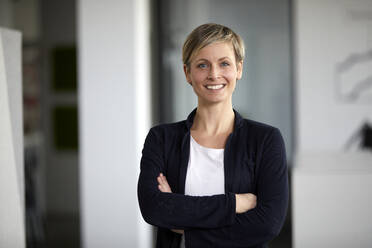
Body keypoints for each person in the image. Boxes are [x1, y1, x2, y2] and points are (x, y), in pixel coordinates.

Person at [137, 23, 288, 248]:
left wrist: (184, 227)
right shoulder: (161, 139)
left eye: (224, 63)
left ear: (239, 69)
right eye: (202, 65)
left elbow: (268, 224)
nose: (214, 74)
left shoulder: (265, 140)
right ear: (187, 73)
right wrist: (234, 203)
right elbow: (153, 208)